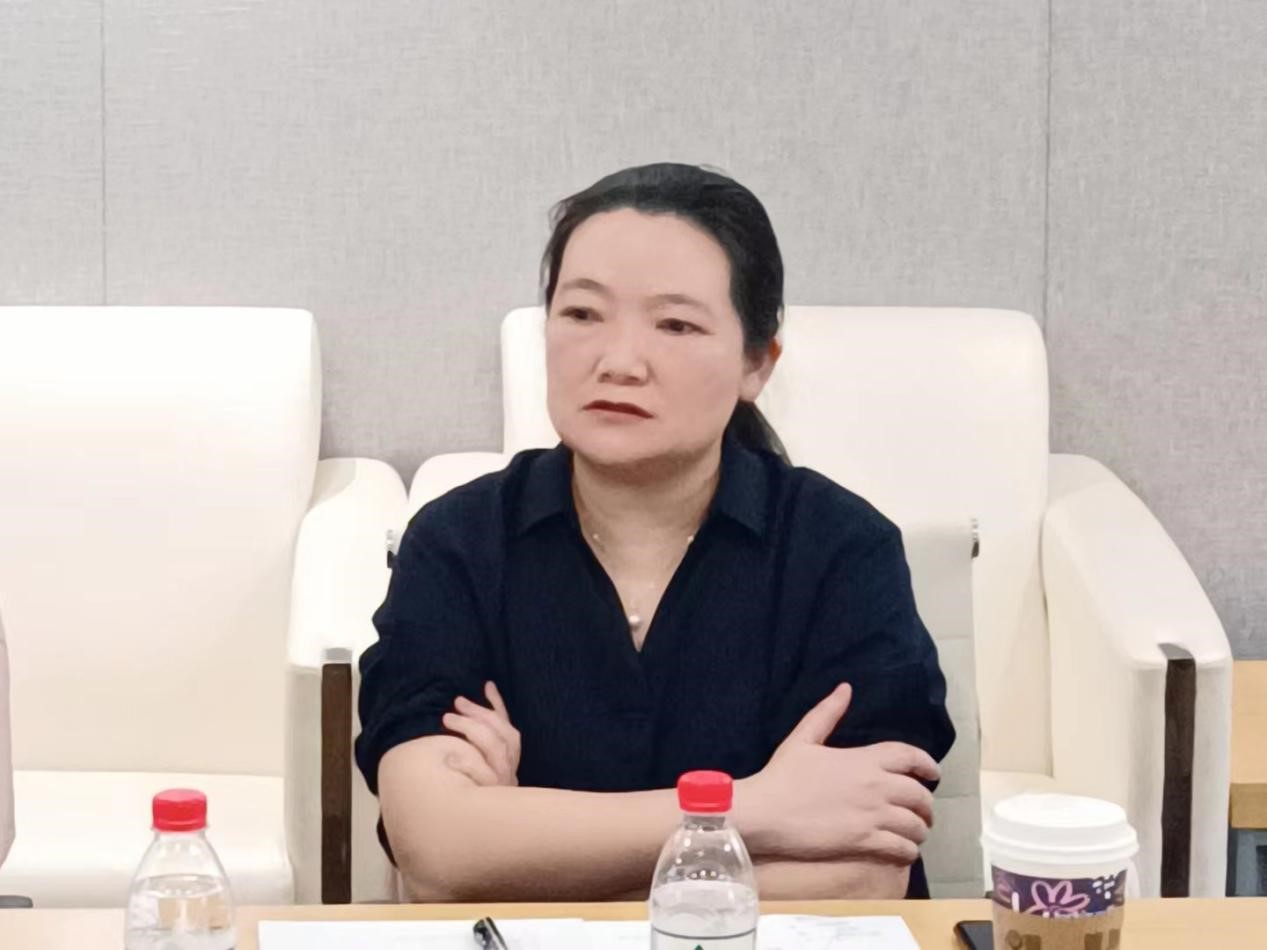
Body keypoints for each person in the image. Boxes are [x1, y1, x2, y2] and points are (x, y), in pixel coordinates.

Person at [355, 162, 955, 903]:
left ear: (756, 364)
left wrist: (523, 859)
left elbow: (863, 875)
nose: (618, 362)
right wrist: (758, 809)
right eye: (582, 314)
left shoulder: (840, 549)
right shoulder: (459, 543)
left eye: (675, 325)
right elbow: (437, 847)